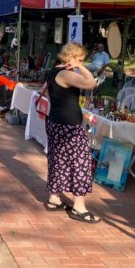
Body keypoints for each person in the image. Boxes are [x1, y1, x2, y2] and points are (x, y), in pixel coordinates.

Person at [44, 42, 101, 223]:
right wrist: (81, 68)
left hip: (55, 120)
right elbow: (91, 83)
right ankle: (79, 207)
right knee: (81, 163)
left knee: (58, 159)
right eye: (79, 59)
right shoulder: (67, 74)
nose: (81, 62)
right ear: (70, 57)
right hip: (69, 125)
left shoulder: (54, 71)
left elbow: (44, 93)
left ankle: (54, 198)